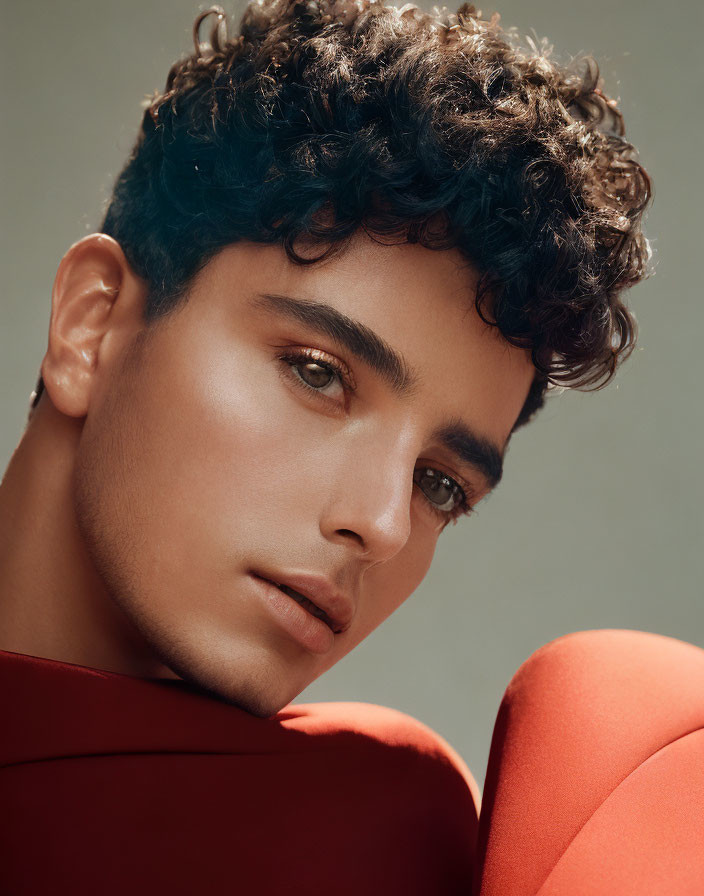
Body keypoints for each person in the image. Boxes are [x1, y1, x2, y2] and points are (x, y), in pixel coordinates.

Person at [0, 1, 657, 893]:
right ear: (92, 325)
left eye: (440, 483)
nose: (382, 524)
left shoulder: (388, 832)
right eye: (318, 373)